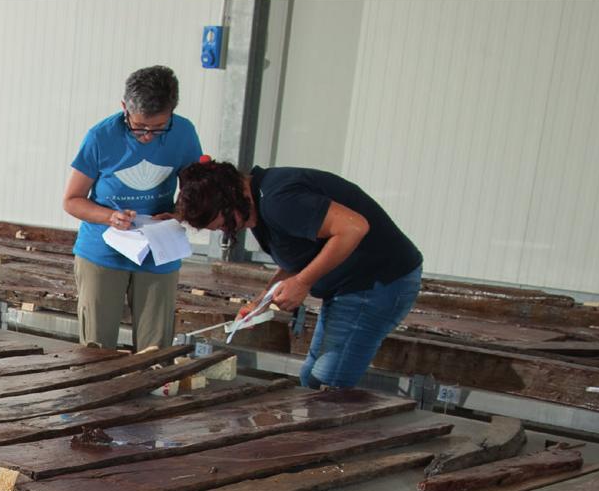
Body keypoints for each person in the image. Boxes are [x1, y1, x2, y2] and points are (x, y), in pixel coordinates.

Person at [173, 158, 424, 389]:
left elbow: (353, 228)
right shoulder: (258, 204)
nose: (226, 231)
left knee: (327, 382)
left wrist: (302, 282)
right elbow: (297, 255)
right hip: (350, 287)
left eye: (224, 224)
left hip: (378, 283)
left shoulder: (279, 201)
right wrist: (262, 300)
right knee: (311, 378)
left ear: (229, 199)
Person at [63, 65, 202, 352]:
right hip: (103, 251)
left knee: (156, 349)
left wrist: (179, 212)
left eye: (159, 127)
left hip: (159, 250)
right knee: (96, 349)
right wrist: (109, 217)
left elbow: (195, 189)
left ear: (172, 112)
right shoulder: (100, 137)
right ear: (124, 107)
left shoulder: (184, 133)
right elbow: (72, 200)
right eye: (139, 127)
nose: (148, 136)